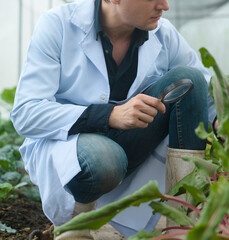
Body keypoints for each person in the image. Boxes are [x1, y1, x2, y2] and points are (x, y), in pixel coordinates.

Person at [10, 0, 217, 238]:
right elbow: (26, 112)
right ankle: (76, 227)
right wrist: (109, 115)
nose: (165, 5)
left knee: (190, 79)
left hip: (130, 147)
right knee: (104, 159)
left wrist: (220, 121)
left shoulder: (164, 33)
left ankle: (181, 225)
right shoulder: (58, 25)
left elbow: (207, 95)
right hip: (71, 150)